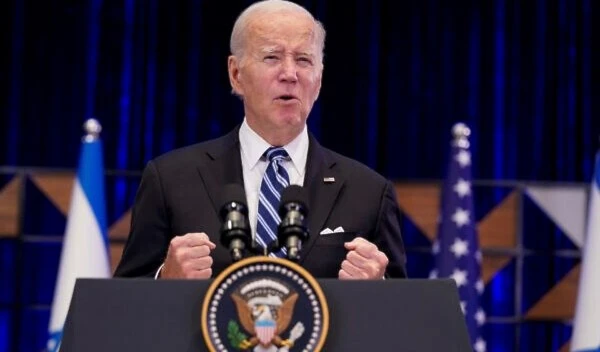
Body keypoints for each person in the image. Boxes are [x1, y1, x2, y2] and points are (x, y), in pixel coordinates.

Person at [114, 0, 407, 280]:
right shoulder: (171, 179)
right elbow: (122, 305)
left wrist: (376, 291)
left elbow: (406, 316)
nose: (290, 74)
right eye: (272, 57)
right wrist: (164, 280)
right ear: (236, 74)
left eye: (304, 60)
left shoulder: (369, 192)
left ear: (318, 81)